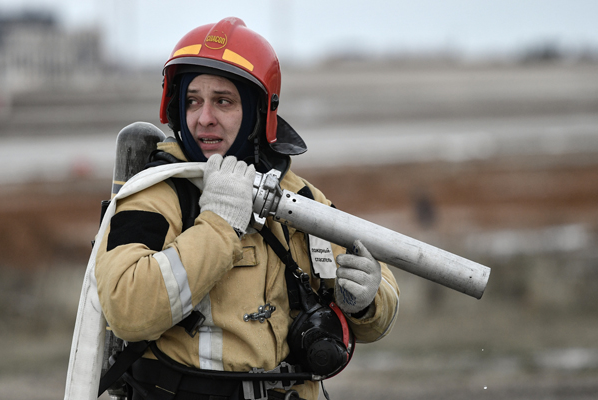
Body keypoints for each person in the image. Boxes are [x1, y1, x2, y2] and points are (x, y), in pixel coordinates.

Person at [95, 17, 399, 400]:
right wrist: (219, 223)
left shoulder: (299, 199)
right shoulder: (153, 196)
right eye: (193, 100)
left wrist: (366, 302)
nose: (204, 117)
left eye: (223, 100)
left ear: (258, 111)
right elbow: (126, 309)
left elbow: (379, 308)